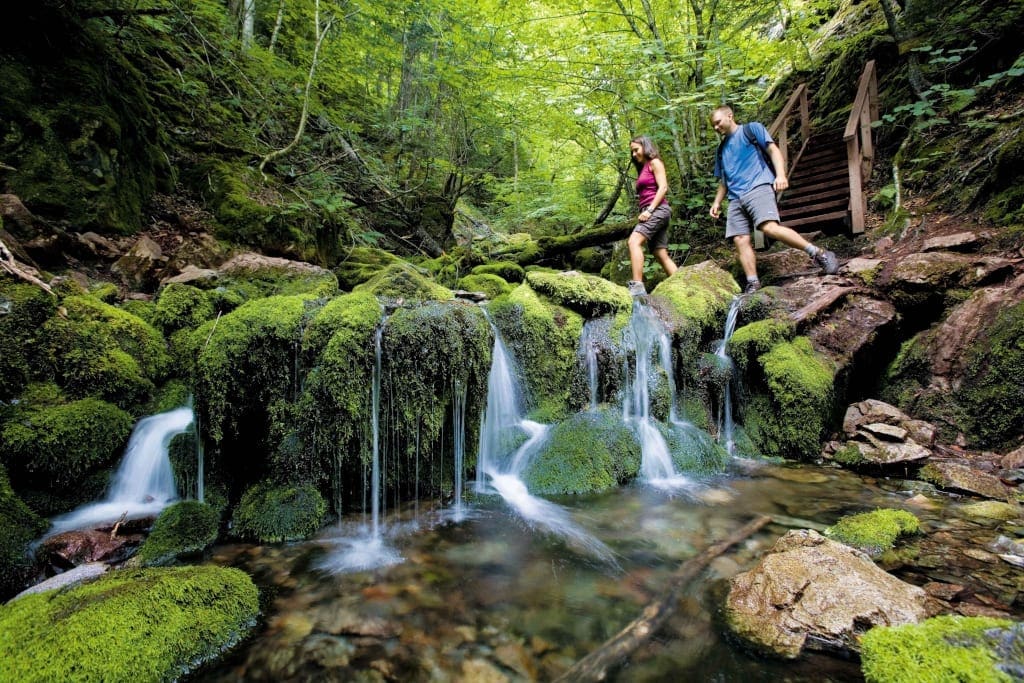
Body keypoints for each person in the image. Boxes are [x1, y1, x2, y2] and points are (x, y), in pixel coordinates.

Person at [708, 105, 838, 294]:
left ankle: (819, 253)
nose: (716, 128)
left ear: (730, 116)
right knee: (739, 239)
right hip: (735, 198)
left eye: (718, 123)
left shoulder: (751, 130)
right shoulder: (721, 150)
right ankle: (753, 283)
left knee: (768, 228)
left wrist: (780, 175)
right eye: (713, 125)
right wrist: (717, 202)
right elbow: (724, 180)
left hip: (758, 186)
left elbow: (773, 151)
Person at [627, 135, 678, 297]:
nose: (634, 154)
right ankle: (683, 284)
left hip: (658, 210)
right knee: (659, 253)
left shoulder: (655, 163)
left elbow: (663, 188)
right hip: (654, 210)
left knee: (634, 241)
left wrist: (649, 210)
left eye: (636, 150)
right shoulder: (643, 168)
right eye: (632, 152)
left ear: (645, 146)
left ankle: (637, 286)